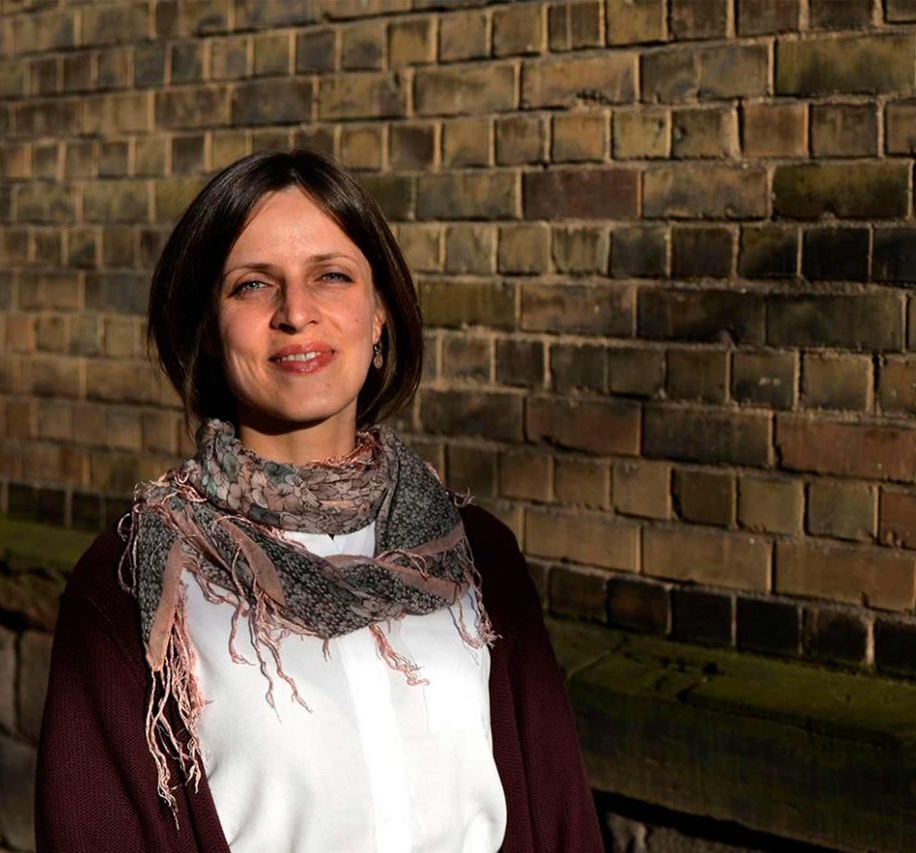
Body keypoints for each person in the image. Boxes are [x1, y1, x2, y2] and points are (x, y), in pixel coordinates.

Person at [35, 149, 603, 852]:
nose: (296, 313)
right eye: (252, 285)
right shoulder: (131, 587)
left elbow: (563, 823)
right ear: (207, 329)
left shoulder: (478, 558)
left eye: (331, 276)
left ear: (379, 313)